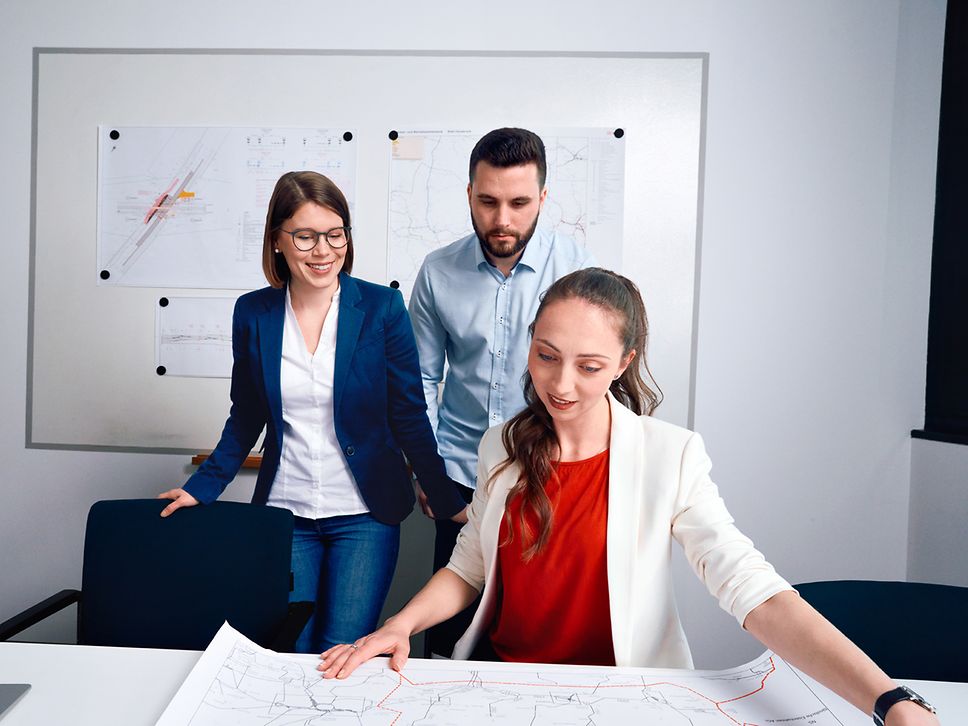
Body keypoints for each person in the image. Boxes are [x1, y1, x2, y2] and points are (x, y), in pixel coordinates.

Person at [319, 268, 939, 726]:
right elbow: (468, 566)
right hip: (503, 688)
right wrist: (398, 626)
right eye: (546, 356)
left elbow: (751, 589)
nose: (561, 384)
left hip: (619, 701)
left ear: (624, 362)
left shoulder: (671, 455)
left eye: (589, 366)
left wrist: (889, 699)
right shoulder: (500, 445)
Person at [157, 171, 467, 654]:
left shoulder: (382, 308)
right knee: (290, 649)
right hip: (287, 512)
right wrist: (204, 487)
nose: (323, 250)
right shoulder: (253, 313)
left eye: (335, 233)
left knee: (340, 649)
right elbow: (246, 415)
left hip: (365, 516)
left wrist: (447, 501)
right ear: (278, 240)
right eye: (305, 236)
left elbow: (408, 412)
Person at [408, 127, 594, 656]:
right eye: (487, 202)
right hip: (462, 479)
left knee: (534, 642)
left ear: (542, 198)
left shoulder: (578, 270)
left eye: (518, 202)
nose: (502, 220)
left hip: (549, 478)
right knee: (452, 643)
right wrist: (428, 470)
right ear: (469, 194)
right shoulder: (438, 271)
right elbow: (419, 380)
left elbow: (590, 385)